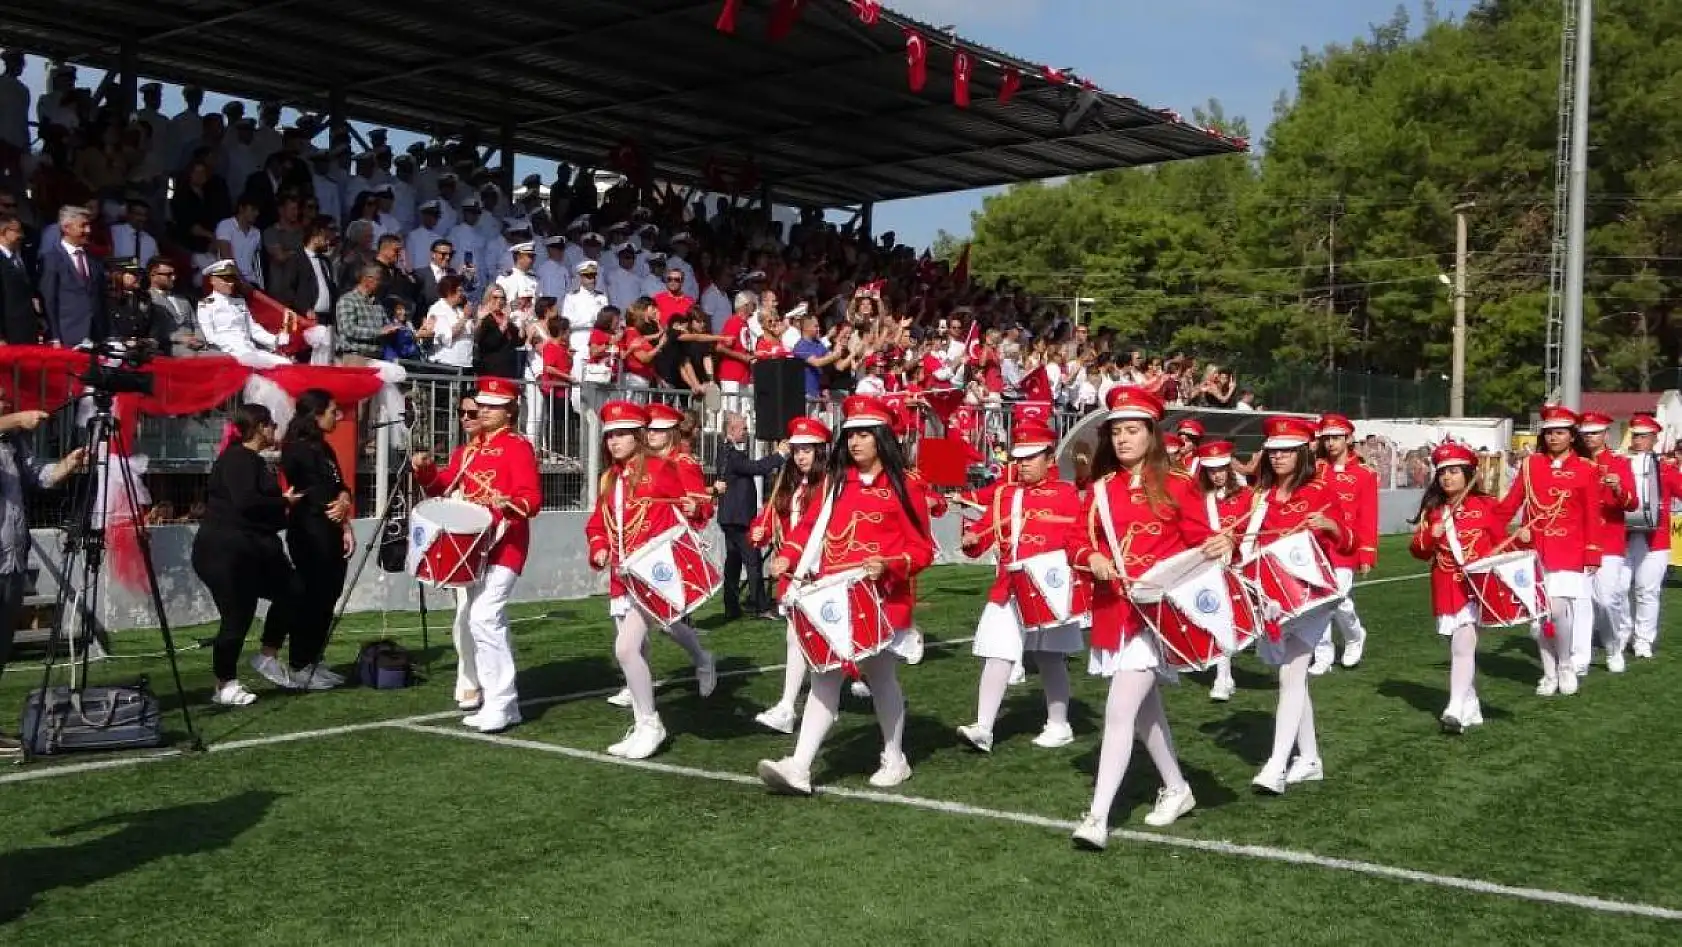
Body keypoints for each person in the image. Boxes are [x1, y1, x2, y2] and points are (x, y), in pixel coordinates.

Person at [1069, 388, 1229, 848]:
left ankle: (1097, 816)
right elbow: (1076, 540)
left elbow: (1202, 539)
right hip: (1114, 610)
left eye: (1132, 430)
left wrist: (1223, 543)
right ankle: (1177, 788)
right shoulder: (1101, 489)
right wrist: (1092, 556)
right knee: (1144, 713)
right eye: (1116, 431)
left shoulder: (1178, 483)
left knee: (1119, 710)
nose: (1122, 439)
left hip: (1159, 615)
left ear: (1151, 434)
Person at [759, 395, 936, 795]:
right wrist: (787, 556)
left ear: (882, 438)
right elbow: (808, 528)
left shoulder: (906, 485)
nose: (855, 442)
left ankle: (893, 756)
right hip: (834, 599)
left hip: (880, 601)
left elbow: (923, 549)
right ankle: (800, 766)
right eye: (851, 434)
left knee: (879, 676)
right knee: (828, 676)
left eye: (864, 434)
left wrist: (889, 564)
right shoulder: (835, 483)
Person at [412, 377, 542, 733]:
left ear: (510, 411)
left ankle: (502, 701)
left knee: (484, 616)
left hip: (505, 542)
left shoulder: (517, 447)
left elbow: (532, 497)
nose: (483, 411)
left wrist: (511, 503)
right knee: (476, 619)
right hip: (472, 547)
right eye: (481, 405)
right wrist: (425, 469)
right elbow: (441, 487)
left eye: (492, 406)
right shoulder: (468, 450)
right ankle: (500, 702)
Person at [585, 401, 705, 759]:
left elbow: (692, 505)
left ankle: (651, 724)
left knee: (626, 648)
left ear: (638, 436)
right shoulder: (610, 478)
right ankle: (643, 724)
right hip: (624, 576)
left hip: (655, 574)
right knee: (630, 650)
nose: (614, 442)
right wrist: (599, 547)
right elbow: (597, 523)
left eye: (622, 434)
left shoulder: (660, 467)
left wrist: (694, 507)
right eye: (610, 435)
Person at [955, 422, 1083, 753]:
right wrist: (972, 540)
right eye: (1019, 458)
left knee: (1049, 656)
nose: (1023, 464)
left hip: (1050, 588)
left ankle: (1059, 724)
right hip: (1009, 585)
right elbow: (985, 535)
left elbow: (1079, 538)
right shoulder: (1005, 494)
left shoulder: (1066, 493)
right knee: (997, 650)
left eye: (1031, 457)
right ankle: (984, 727)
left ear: (1049, 458)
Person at [1245, 416, 1355, 794]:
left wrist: (1330, 525)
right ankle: (1309, 759)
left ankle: (1276, 766)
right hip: (1274, 597)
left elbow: (1348, 541)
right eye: (1273, 451)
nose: (1278, 457)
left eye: (1287, 451)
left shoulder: (1321, 489)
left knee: (1291, 674)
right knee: (1293, 676)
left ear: (1302, 453)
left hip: (1312, 595)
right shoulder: (1260, 495)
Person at [191, 404, 304, 708]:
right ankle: (224, 683)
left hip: (253, 551)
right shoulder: (238, 458)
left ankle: (267, 655)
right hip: (225, 553)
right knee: (237, 617)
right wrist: (284, 501)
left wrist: (287, 510)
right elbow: (246, 502)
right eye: (272, 425)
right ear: (259, 427)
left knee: (293, 589)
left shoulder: (255, 461)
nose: (275, 430)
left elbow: (261, 512)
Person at [1495, 406, 1599, 697]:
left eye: (1560, 432)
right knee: (1538, 618)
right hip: (1533, 550)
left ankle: (1565, 664)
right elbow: (1511, 503)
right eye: (1550, 432)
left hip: (1569, 550)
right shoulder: (1531, 465)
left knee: (1556, 610)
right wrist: (1490, 528)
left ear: (1572, 436)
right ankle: (1549, 673)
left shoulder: (1586, 469)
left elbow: (1592, 515)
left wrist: (1592, 553)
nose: (1554, 437)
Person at [0, 401, 86, 753]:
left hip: (11, 561)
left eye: (7, 398)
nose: (6, 402)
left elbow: (38, 475)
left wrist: (68, 465)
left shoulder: (12, 441)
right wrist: (15, 419)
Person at [1407, 442, 1505, 733]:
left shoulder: (1487, 506)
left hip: (1477, 587)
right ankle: (1470, 705)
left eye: (1454, 471)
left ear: (1468, 474)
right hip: (1445, 585)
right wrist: (1430, 535)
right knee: (1458, 648)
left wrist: (1523, 539)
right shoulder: (1434, 510)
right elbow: (1418, 551)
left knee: (1463, 644)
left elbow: (1502, 543)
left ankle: (1453, 707)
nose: (1447, 477)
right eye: (1442, 472)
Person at [268, 389, 354, 691]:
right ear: (316, 415)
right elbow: (310, 490)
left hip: (330, 527)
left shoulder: (324, 448)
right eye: (332, 411)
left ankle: (313, 657)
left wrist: (344, 501)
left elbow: (339, 484)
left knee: (329, 594)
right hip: (310, 529)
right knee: (314, 595)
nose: (337, 417)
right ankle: (300, 662)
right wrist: (334, 505)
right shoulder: (297, 448)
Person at [748, 415, 830, 734]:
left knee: (828, 636)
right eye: (797, 451)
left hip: (821, 570)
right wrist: (759, 531)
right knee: (795, 637)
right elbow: (771, 517)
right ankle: (786, 707)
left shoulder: (829, 485)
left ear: (819, 452)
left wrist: (788, 555)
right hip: (794, 572)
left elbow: (812, 528)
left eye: (807, 450)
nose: (801, 457)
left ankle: (868, 673)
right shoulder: (788, 483)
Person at [1311, 414, 1376, 672]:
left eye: (1336, 437)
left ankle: (1354, 636)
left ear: (1349, 439)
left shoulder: (1365, 474)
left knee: (1338, 598)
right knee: (1317, 602)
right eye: (1326, 438)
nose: (1330, 443)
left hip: (1345, 546)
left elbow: (1368, 517)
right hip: (1316, 544)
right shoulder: (1315, 469)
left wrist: (1367, 554)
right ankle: (1323, 655)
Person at [1578, 411, 1636, 673]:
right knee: (1581, 601)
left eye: (1595, 433)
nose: (1590, 438)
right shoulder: (1576, 463)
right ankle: (1580, 656)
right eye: (1586, 433)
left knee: (1605, 600)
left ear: (1605, 434)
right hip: (1579, 539)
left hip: (1609, 540)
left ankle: (1613, 647)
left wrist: (1618, 488)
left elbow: (1632, 503)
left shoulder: (1619, 462)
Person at [1621, 414, 1682, 658]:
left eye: (1643, 437)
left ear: (1654, 439)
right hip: (1622, 537)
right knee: (1617, 589)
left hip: (1655, 539)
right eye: (1635, 436)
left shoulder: (1665, 469)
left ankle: (1643, 640)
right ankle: (1622, 632)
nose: (1637, 441)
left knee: (1647, 590)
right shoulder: (1621, 465)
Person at [716, 411, 785, 621]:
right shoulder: (731, 455)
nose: (747, 432)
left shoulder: (727, 452)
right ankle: (760, 606)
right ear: (731, 430)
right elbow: (757, 468)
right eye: (743, 428)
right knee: (752, 561)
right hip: (738, 519)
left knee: (734, 562)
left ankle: (732, 606)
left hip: (731, 517)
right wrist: (779, 455)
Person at [1195, 440, 1250, 702]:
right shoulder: (1200, 499)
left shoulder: (1247, 496)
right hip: (1210, 566)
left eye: (1221, 469)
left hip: (1238, 565)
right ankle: (1223, 676)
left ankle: (1224, 676)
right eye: (1211, 471)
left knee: (1231, 620)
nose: (1216, 475)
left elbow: (1251, 530)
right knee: (1219, 618)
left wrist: (1234, 541)